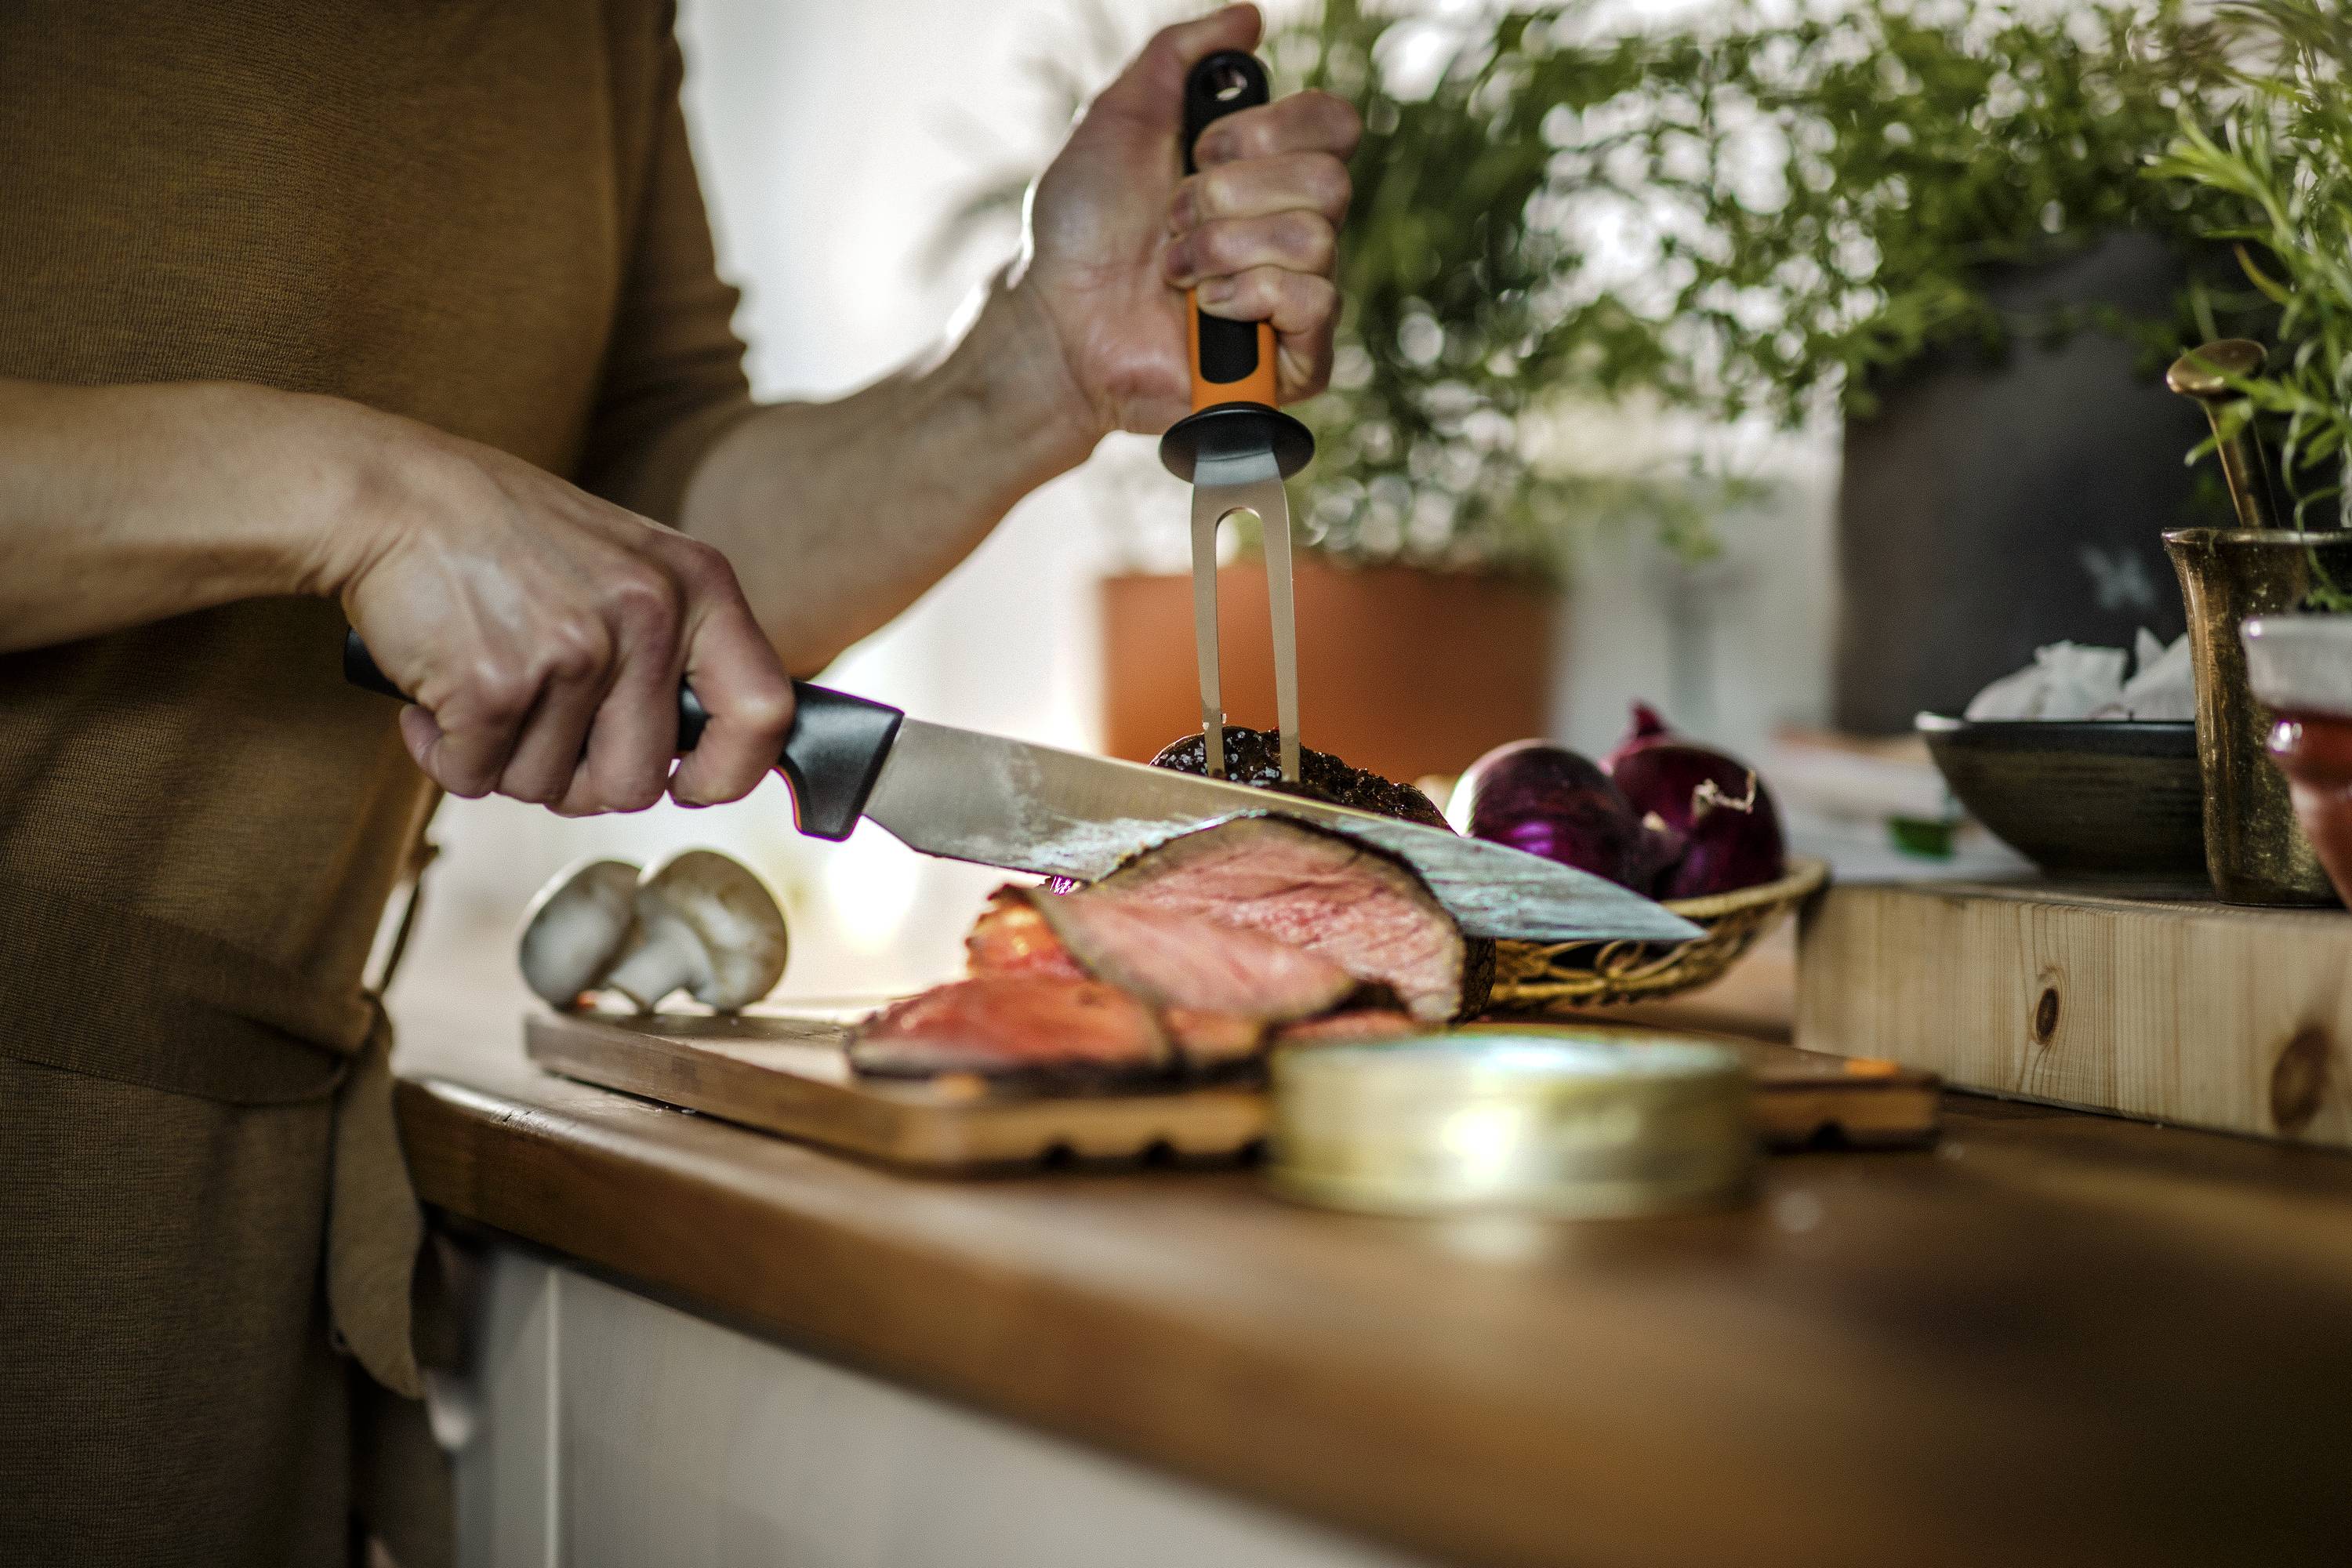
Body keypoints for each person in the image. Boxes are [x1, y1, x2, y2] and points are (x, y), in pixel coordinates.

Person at [0, 2, 1358, 1562]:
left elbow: (641, 535)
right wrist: (353, 495)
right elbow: (450, 528)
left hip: (212, 1233)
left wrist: (1031, 372)